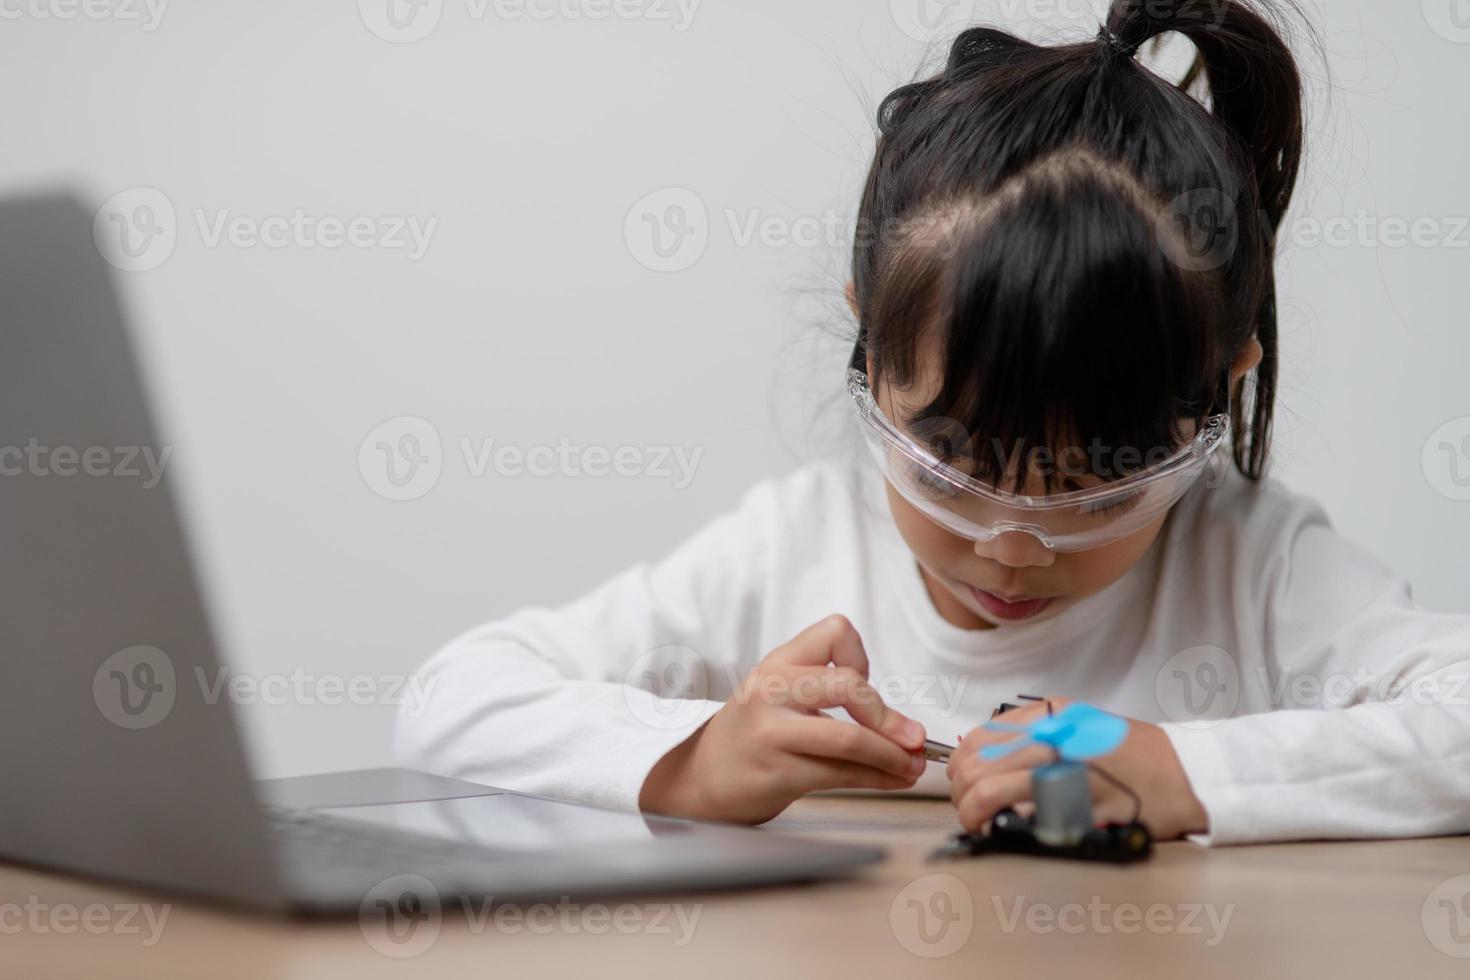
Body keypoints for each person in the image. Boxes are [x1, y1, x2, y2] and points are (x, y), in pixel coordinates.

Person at [398, 0, 1470, 844]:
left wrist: (1185, 776)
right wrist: (695, 757)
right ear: (870, 352)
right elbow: (453, 700)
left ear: (1220, 395)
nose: (1008, 544)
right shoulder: (795, 547)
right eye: (952, 466)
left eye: (1096, 485)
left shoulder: (1250, 567)